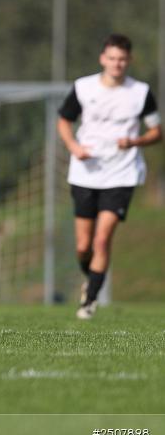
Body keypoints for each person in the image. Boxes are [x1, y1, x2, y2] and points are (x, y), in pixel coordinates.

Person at [57, 33, 161, 320]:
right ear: (103, 59)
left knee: (102, 241)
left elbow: (156, 131)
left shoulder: (140, 93)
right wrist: (74, 147)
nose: (117, 64)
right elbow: (64, 121)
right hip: (85, 172)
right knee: (83, 246)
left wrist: (135, 142)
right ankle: (91, 279)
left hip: (122, 173)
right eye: (112, 58)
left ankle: (89, 301)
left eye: (122, 59)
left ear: (129, 61)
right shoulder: (83, 88)